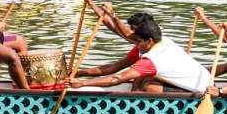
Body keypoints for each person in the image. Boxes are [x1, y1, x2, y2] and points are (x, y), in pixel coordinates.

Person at [65, 20, 211, 93]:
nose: (136, 45)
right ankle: (135, 95)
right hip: (207, 83)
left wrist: (82, 84)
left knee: (150, 87)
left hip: (202, 93)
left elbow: (117, 78)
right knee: (144, 77)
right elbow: (126, 34)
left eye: (139, 42)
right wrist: (109, 14)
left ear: (149, 41)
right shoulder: (164, 40)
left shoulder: (151, 60)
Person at [74, 0, 155, 79]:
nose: (130, 32)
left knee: (141, 80)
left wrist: (113, 15)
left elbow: (126, 33)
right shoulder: (139, 49)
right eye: (130, 28)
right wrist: (79, 73)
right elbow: (112, 68)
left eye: (133, 29)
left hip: (165, 83)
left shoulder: (155, 44)